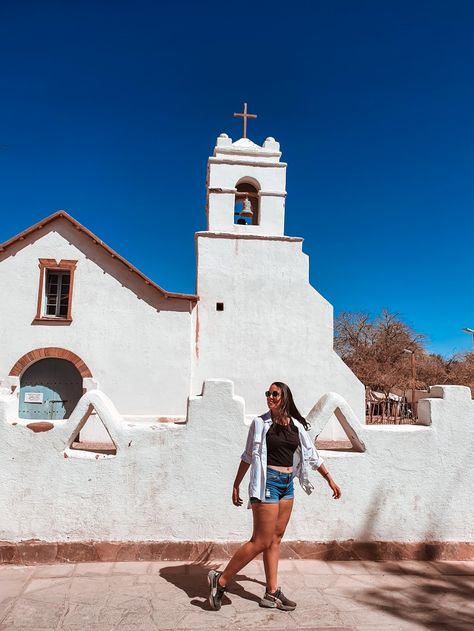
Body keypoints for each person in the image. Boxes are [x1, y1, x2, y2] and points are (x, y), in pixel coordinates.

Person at [208, 381, 342, 611]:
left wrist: (329, 478)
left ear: (284, 397)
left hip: (287, 485)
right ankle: (219, 581)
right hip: (267, 483)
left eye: (275, 394)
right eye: (268, 393)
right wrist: (236, 484)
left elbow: (312, 455)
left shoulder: (296, 426)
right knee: (260, 540)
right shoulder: (260, 424)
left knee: (275, 539)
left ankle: (271, 593)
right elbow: (248, 455)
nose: (270, 397)